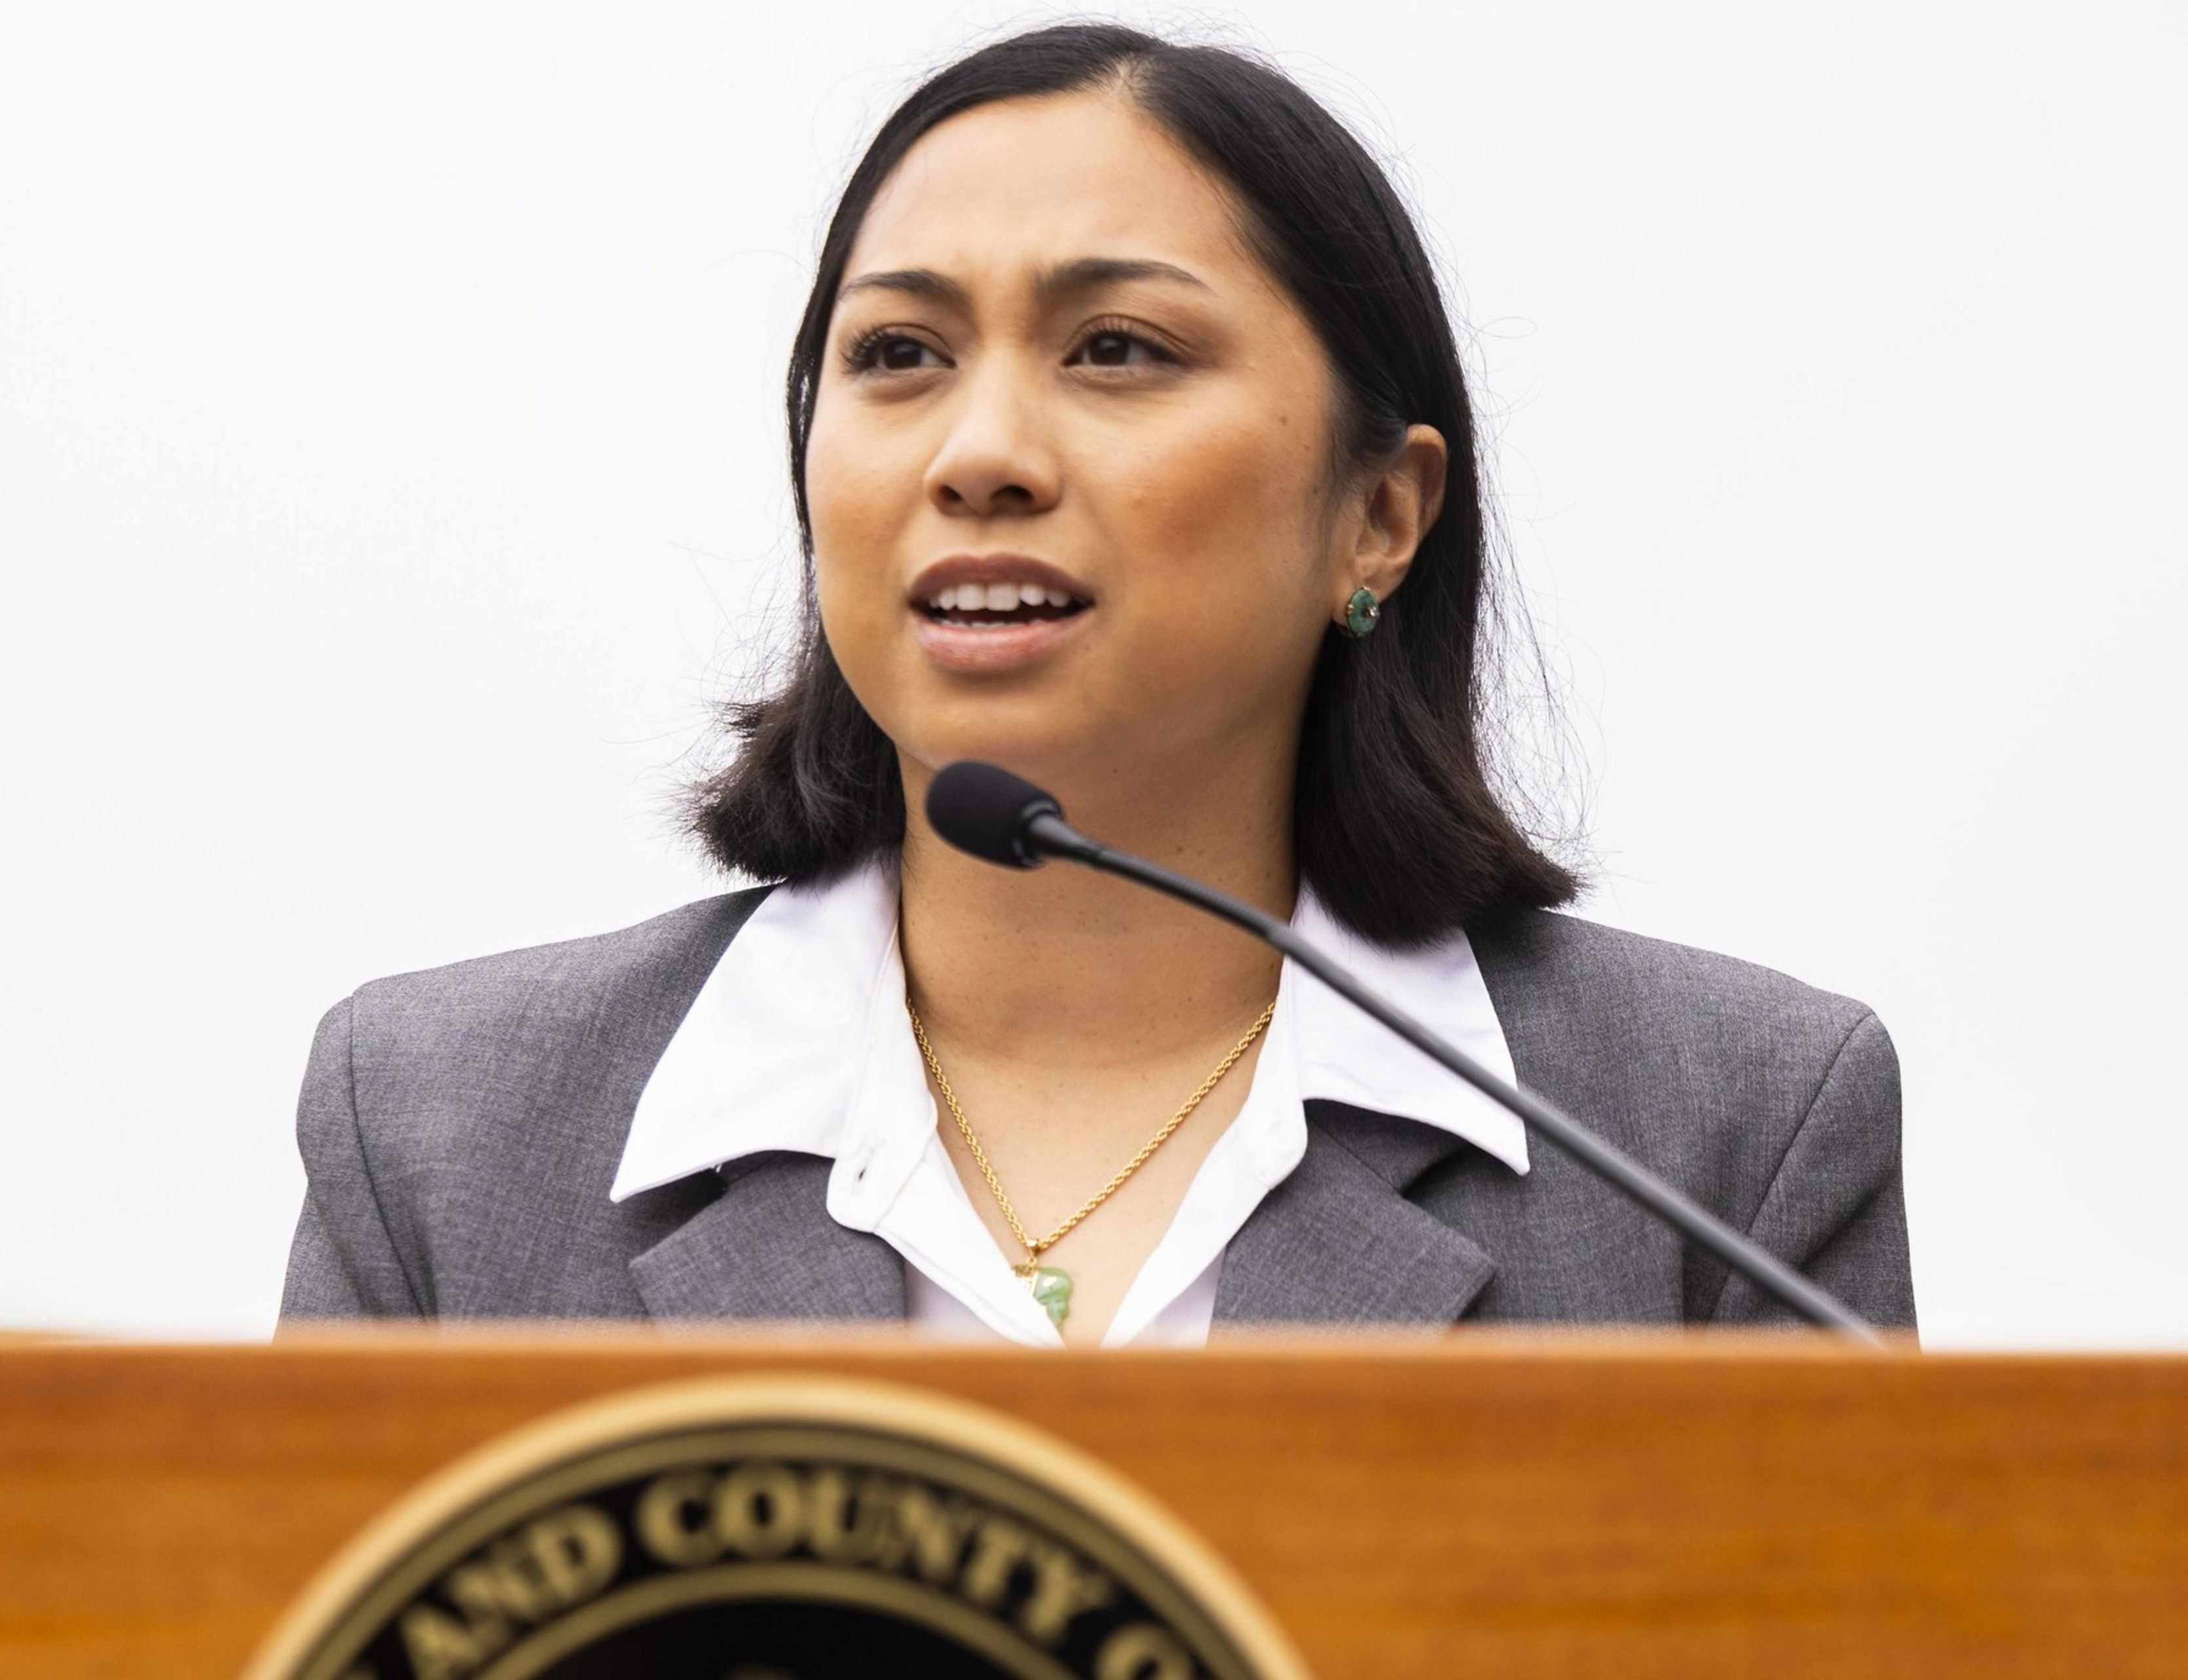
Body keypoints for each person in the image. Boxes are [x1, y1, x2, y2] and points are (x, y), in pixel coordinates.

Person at [277, 23, 1912, 1347]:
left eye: (1115, 349)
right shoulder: (441, 1131)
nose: (979, 453)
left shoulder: (1720, 1140)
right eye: (897, 356)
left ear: (1379, 514)